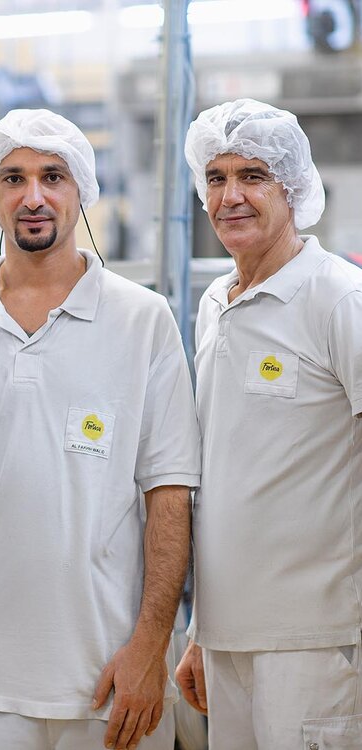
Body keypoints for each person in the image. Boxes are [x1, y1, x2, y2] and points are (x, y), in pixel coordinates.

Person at [0, 108, 200, 750]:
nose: (33, 196)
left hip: (114, 682)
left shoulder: (143, 319)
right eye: (13, 178)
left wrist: (150, 645)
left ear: (80, 190)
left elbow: (168, 494)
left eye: (52, 176)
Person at [175, 98, 362, 749]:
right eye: (216, 177)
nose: (231, 195)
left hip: (318, 643)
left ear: (293, 186)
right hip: (230, 641)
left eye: (252, 175)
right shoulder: (214, 305)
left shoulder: (338, 298)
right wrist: (203, 630)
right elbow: (226, 479)